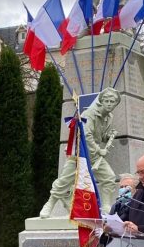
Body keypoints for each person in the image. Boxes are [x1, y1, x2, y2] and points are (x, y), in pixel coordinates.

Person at [39, 87, 121, 218]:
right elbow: (86, 136)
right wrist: (99, 150)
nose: (110, 104)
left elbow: (99, 136)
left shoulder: (109, 117)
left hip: (94, 156)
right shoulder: (90, 114)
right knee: (64, 182)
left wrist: (107, 136)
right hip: (80, 154)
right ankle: (49, 205)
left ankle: (106, 208)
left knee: (109, 178)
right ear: (101, 101)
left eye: (113, 101)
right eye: (107, 101)